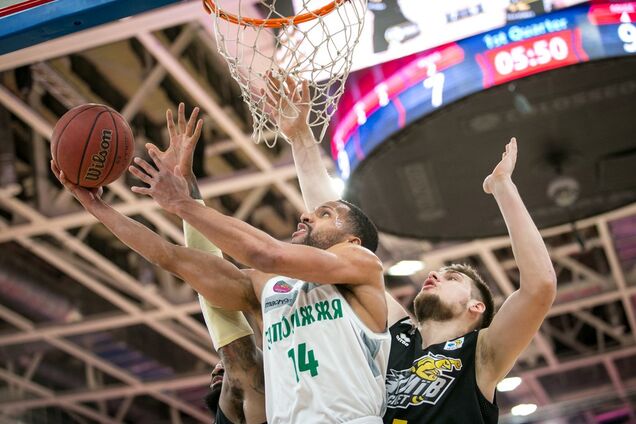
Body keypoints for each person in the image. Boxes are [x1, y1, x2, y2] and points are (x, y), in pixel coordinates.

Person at [52, 95, 391, 423]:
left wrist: (180, 203)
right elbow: (170, 257)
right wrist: (96, 207)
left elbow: (266, 253)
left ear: (353, 239)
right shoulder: (264, 287)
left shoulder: (362, 267)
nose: (306, 215)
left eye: (325, 213)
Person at [281, 82, 556, 422]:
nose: (434, 274)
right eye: (440, 272)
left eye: (451, 277)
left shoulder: (482, 354)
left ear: (477, 306)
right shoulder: (397, 336)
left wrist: (503, 188)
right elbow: (333, 234)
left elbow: (540, 287)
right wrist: (300, 137)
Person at [152, 103, 266, 424]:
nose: (220, 366)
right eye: (220, 371)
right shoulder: (248, 384)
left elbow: (210, 285)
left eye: (218, 372)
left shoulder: (249, 388)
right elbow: (212, 289)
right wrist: (185, 193)